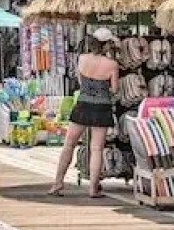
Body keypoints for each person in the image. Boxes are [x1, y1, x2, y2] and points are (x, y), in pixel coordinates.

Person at [49, 28, 121, 198]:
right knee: (96, 149)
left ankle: (58, 183)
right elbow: (115, 89)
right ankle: (93, 188)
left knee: (69, 144)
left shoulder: (82, 59)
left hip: (82, 105)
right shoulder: (112, 65)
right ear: (107, 45)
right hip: (102, 107)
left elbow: (81, 82)